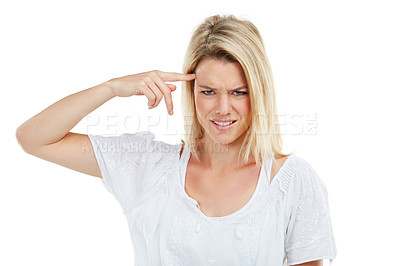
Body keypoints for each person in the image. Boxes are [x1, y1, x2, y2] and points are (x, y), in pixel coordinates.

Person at [16, 14, 337, 266]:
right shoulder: (146, 166)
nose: (222, 109)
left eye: (239, 92)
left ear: (260, 93)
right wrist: (111, 87)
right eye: (208, 91)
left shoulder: (292, 182)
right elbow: (34, 139)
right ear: (190, 91)